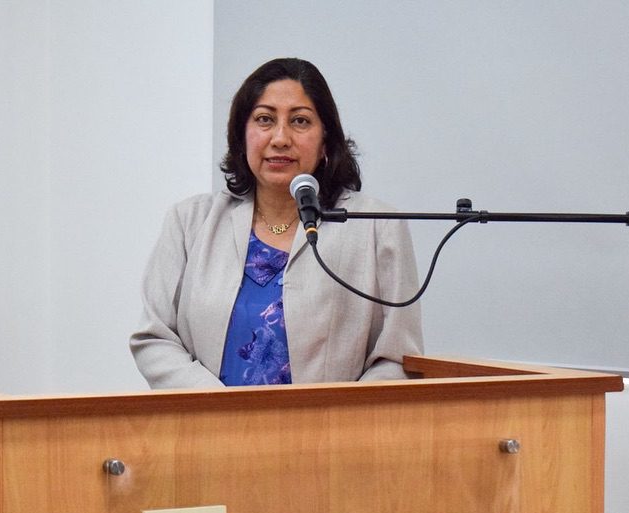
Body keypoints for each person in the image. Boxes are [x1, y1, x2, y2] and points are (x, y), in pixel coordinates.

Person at [130, 58, 423, 389]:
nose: (281, 138)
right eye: (265, 119)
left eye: (300, 121)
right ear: (241, 135)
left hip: (328, 422)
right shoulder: (190, 222)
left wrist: (333, 416)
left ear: (325, 141)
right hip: (209, 419)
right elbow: (155, 338)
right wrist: (216, 405)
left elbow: (396, 358)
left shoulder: (377, 227)